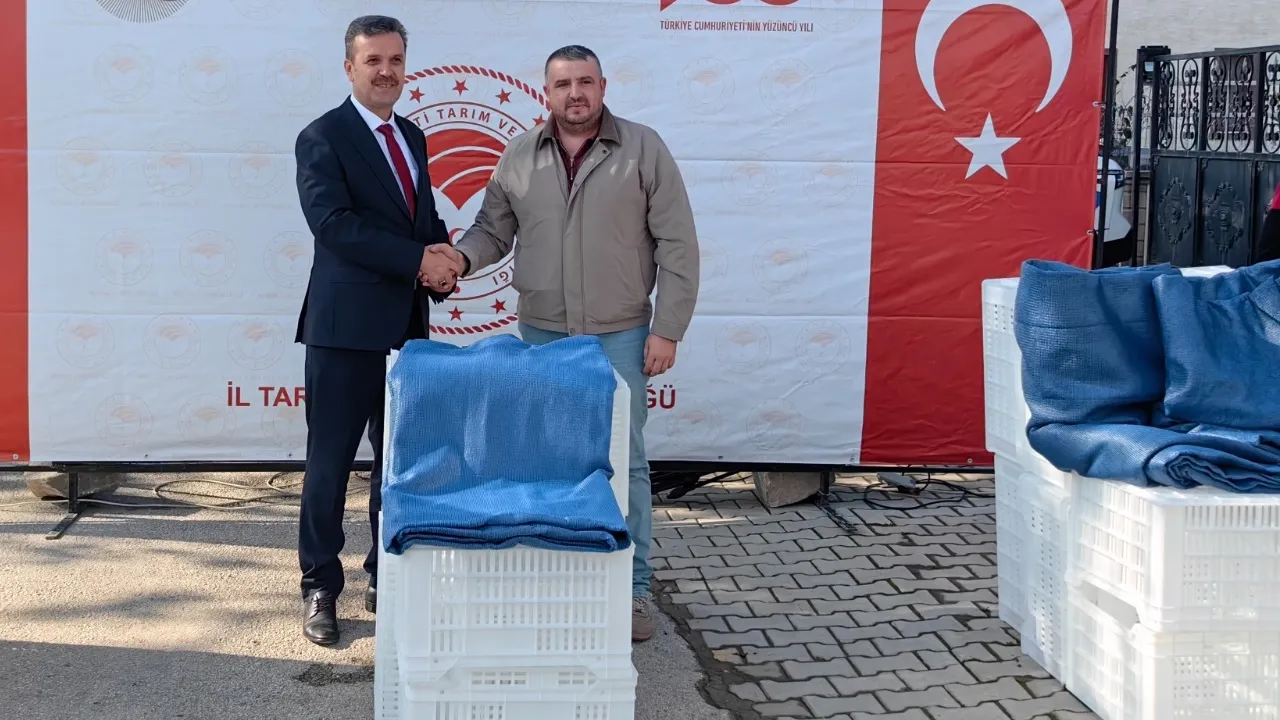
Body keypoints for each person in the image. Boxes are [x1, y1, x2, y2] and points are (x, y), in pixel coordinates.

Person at [429, 44, 700, 643]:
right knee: (551, 460)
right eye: (563, 84)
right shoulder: (520, 155)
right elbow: (492, 230)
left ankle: (632, 590)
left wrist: (668, 328)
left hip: (620, 336)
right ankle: (562, 575)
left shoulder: (644, 150)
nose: (575, 93)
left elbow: (678, 244)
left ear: (603, 86)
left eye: (585, 82)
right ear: (546, 92)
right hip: (543, 334)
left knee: (624, 462)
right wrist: (459, 260)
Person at [292, 15, 460, 646]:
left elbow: (421, 217)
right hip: (343, 332)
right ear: (349, 68)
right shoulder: (322, 137)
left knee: (397, 465)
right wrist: (418, 260)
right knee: (329, 464)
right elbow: (334, 225)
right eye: (373, 61)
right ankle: (319, 586)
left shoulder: (411, 135)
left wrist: (443, 260)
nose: (386, 71)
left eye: (395, 60)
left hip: (405, 328)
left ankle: (385, 573)